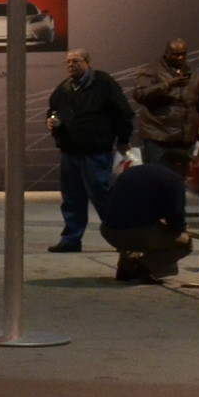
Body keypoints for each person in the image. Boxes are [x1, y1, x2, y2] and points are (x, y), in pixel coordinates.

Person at [46, 48, 134, 252]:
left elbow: (122, 111)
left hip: (95, 152)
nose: (70, 65)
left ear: (87, 62)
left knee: (103, 196)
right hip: (70, 152)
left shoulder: (103, 83)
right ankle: (70, 239)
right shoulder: (64, 89)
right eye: (67, 62)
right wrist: (51, 121)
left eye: (75, 61)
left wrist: (124, 138)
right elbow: (53, 110)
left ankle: (122, 237)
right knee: (71, 199)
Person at [102, 156, 191, 282]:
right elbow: (175, 213)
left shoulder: (131, 171)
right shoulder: (174, 179)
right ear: (178, 165)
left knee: (139, 229)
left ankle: (126, 266)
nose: (188, 175)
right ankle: (144, 267)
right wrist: (182, 229)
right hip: (140, 233)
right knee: (185, 243)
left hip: (109, 230)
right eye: (188, 170)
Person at [130, 38, 199, 176]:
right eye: (176, 54)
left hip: (186, 136)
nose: (180, 58)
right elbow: (140, 94)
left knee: (180, 180)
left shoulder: (194, 72)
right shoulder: (150, 71)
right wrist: (167, 85)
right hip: (158, 134)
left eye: (183, 54)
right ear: (166, 54)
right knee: (156, 178)